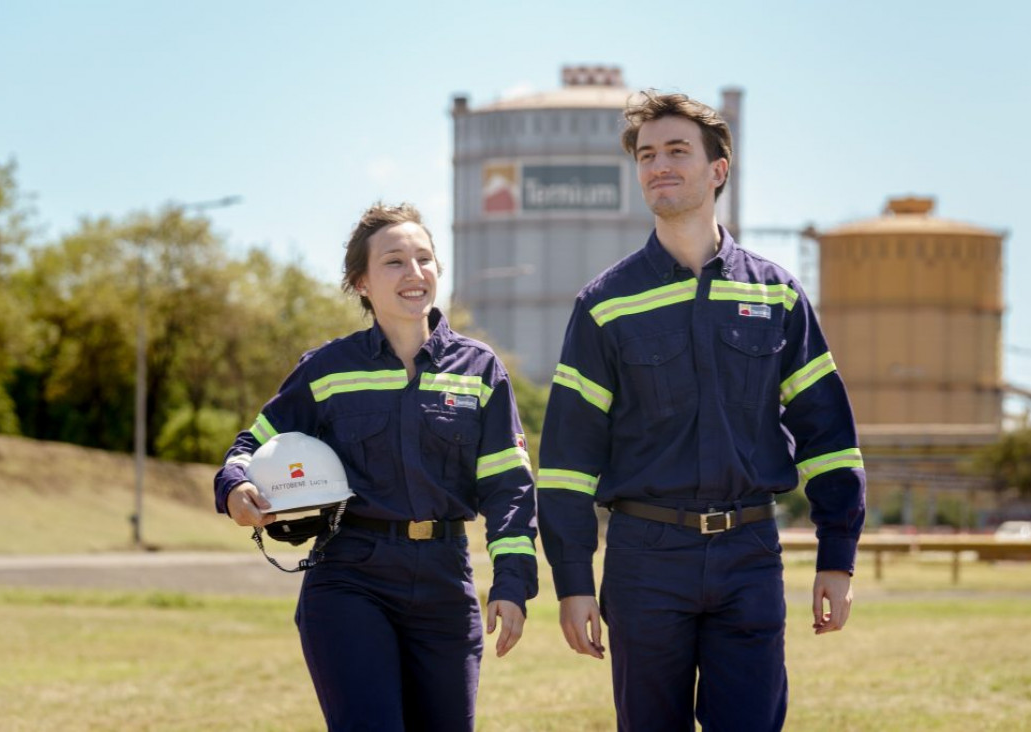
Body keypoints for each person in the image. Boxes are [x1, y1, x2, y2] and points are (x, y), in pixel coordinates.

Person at [537, 91, 866, 731]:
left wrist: (837, 555)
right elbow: (569, 460)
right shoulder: (605, 304)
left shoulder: (776, 293)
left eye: (677, 151)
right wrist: (574, 577)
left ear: (718, 170)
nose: (660, 165)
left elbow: (827, 434)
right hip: (644, 557)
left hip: (749, 552)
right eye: (648, 155)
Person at [214, 202, 538, 731]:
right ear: (361, 282)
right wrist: (234, 485)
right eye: (394, 262)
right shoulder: (326, 369)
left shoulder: (480, 370)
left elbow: (510, 487)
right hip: (350, 579)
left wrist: (512, 579)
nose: (414, 273)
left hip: (445, 580)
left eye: (424, 259)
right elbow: (252, 442)